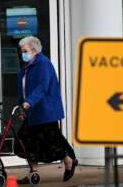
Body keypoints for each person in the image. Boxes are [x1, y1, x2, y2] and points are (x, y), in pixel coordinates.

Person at [14, 36, 78, 183]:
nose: (22, 53)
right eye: (21, 51)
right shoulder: (26, 66)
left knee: (52, 140)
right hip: (32, 110)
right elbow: (22, 88)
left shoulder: (44, 64)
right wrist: (22, 107)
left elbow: (42, 87)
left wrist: (28, 103)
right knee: (26, 141)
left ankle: (69, 161)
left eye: (24, 51)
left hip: (45, 110)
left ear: (34, 50)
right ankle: (33, 173)